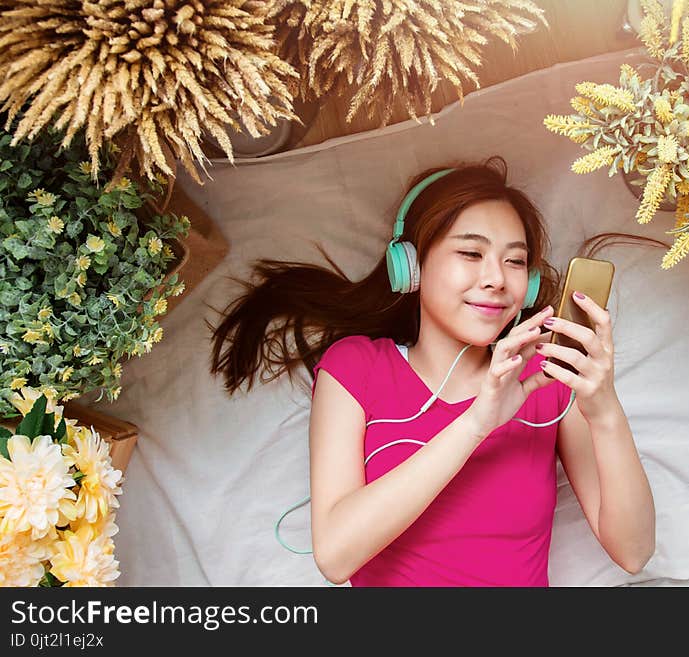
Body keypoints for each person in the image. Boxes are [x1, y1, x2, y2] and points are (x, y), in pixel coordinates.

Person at [209, 156, 655, 586]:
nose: (497, 279)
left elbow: (633, 552)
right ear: (412, 266)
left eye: (515, 261)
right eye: (470, 253)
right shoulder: (356, 367)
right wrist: (477, 424)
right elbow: (335, 556)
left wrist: (605, 411)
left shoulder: (547, 376)